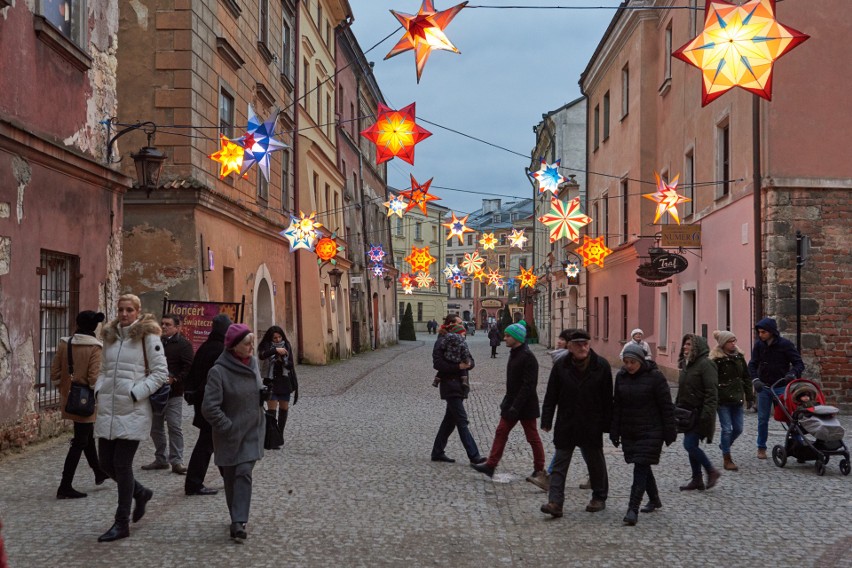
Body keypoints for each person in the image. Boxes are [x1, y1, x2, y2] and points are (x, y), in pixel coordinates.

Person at [94, 294, 168, 542]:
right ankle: (141, 492)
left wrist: (136, 393)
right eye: (121, 309)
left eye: (129, 310)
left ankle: (121, 522)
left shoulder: (148, 336)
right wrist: (99, 388)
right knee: (105, 463)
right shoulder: (110, 336)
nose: (124, 314)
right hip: (109, 408)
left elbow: (160, 374)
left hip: (133, 410)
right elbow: (104, 369)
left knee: (122, 465)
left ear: (137, 311)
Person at [202, 324, 265, 543]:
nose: (251, 347)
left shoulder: (254, 363)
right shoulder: (218, 372)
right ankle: (235, 517)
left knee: (244, 472)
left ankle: (239, 521)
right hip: (228, 434)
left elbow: (257, 387)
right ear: (233, 346)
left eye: (252, 342)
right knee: (230, 478)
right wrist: (227, 426)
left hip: (251, 431)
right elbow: (209, 407)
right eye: (247, 343)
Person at [539, 329, 612, 518]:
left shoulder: (601, 366)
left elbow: (607, 398)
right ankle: (555, 502)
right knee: (560, 464)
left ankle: (599, 496)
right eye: (578, 344)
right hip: (567, 421)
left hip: (591, 422)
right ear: (569, 346)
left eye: (585, 343)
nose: (583, 347)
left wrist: (608, 424)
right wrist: (547, 419)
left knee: (596, 463)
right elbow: (551, 394)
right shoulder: (561, 366)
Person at [471, 322, 546, 484]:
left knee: (532, 436)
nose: (504, 338)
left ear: (517, 338)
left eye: (507, 336)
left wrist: (515, 406)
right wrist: (508, 402)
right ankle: (491, 465)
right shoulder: (515, 353)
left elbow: (528, 386)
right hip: (511, 403)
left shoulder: (528, 357)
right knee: (501, 432)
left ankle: (539, 469)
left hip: (524, 405)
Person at [610, 344, 676, 526]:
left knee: (640, 466)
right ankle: (654, 498)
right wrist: (614, 431)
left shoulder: (655, 378)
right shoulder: (621, 377)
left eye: (632, 362)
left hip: (651, 430)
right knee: (642, 464)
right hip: (629, 430)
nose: (629, 366)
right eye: (626, 362)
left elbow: (666, 406)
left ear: (640, 361)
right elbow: (618, 406)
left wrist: (670, 431)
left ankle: (633, 509)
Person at [51, 310, 109, 499]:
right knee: (79, 442)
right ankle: (65, 486)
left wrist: (64, 390)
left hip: (70, 397)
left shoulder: (65, 343)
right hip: (86, 399)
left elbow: (55, 373)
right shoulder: (95, 348)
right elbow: (94, 379)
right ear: (94, 327)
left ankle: (99, 472)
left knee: (86, 435)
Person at [183, 313, 232, 496]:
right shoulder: (219, 349)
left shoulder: (206, 346)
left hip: (202, 402)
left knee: (214, 442)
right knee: (206, 444)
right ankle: (193, 483)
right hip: (211, 404)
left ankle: (227, 475)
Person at [141, 313, 193, 474]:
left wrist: (175, 379)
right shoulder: (156, 342)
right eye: (162, 324)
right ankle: (161, 458)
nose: (163, 327)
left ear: (177, 327)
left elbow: (189, 367)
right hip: (155, 392)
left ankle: (177, 461)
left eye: (167, 324)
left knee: (174, 426)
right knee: (156, 428)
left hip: (174, 393)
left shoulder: (184, 345)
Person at [430, 315, 486, 465]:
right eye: (460, 323)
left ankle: (437, 452)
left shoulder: (460, 340)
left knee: (449, 421)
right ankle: (474, 456)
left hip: (460, 386)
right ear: (451, 324)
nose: (464, 326)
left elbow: (470, 360)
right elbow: (438, 364)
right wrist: (458, 366)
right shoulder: (441, 341)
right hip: (450, 386)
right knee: (461, 420)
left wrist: (468, 364)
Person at [748, 317, 804, 459]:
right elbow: (752, 364)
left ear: (772, 332)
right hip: (765, 386)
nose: (760, 335)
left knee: (789, 417)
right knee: (762, 419)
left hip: (781, 386)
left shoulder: (785, 345)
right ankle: (761, 447)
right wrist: (755, 380)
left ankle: (799, 445)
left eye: (763, 332)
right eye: (759, 332)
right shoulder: (759, 346)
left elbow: (798, 363)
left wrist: (792, 373)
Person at [676, 334, 721, 491]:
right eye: (684, 344)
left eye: (688, 344)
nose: (685, 347)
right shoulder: (688, 365)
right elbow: (683, 389)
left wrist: (706, 415)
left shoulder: (706, 364)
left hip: (700, 413)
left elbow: (711, 392)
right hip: (688, 413)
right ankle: (697, 479)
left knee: (689, 444)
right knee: (691, 445)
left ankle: (711, 471)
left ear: (697, 346)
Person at [710, 330, 753, 471]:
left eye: (734, 340)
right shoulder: (716, 360)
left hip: (737, 397)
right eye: (730, 341)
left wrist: (750, 396)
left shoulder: (739, 357)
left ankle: (725, 445)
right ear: (723, 343)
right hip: (722, 399)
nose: (733, 343)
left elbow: (746, 377)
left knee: (738, 429)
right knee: (727, 429)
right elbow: (711, 381)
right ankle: (727, 458)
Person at [258, 325, 299, 450]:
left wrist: (283, 361)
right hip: (271, 381)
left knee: (284, 409)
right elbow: (262, 355)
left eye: (279, 337)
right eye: (274, 337)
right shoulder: (266, 345)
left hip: (284, 382)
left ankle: (279, 435)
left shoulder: (286, 345)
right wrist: (276, 351)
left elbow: (290, 364)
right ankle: (271, 437)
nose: (277, 339)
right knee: (272, 410)